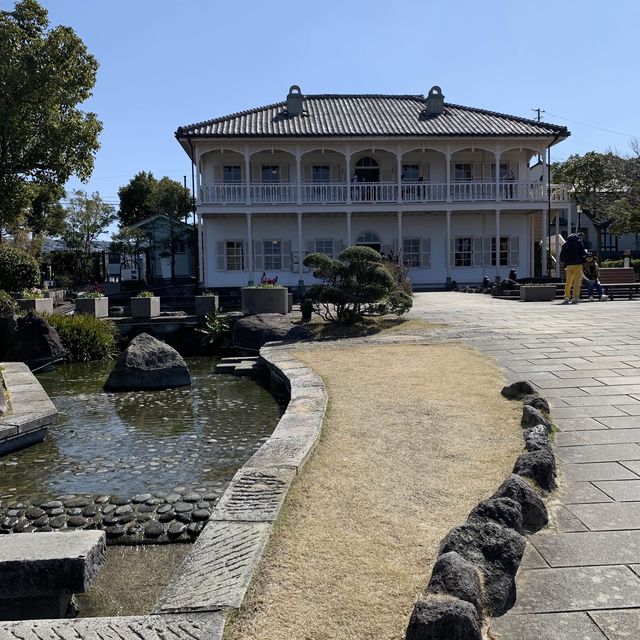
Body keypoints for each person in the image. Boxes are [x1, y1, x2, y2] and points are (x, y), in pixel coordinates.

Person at [559, 233, 587, 304]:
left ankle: (567, 297)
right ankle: (575, 297)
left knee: (568, 282)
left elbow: (562, 255)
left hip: (569, 265)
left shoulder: (566, 244)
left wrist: (565, 262)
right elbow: (582, 252)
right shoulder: (578, 242)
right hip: (577, 264)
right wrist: (583, 261)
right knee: (577, 282)